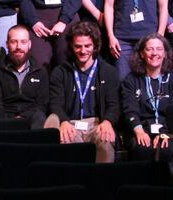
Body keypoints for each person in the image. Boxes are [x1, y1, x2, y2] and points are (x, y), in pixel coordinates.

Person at [45, 21, 119, 162]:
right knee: (65, 139)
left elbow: (113, 105)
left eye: (87, 46)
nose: (83, 51)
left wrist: (108, 121)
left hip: (97, 125)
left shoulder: (108, 71)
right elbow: (55, 103)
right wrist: (63, 121)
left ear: (95, 46)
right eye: (78, 46)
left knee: (105, 140)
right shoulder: (60, 72)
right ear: (71, 46)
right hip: (71, 124)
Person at [121, 34, 173, 161]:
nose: (154, 53)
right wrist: (139, 131)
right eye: (149, 49)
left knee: (165, 149)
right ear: (141, 54)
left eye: (159, 49)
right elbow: (130, 110)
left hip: (168, 130)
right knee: (143, 148)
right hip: (141, 129)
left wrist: (165, 133)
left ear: (165, 54)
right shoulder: (131, 80)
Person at [0, 25, 49, 128]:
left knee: (40, 116)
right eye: (14, 42)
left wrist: (22, 118)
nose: (18, 46)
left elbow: (42, 105)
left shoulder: (40, 71)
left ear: (29, 44)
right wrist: (13, 121)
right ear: (7, 44)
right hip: (5, 120)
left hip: (32, 120)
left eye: (23, 42)